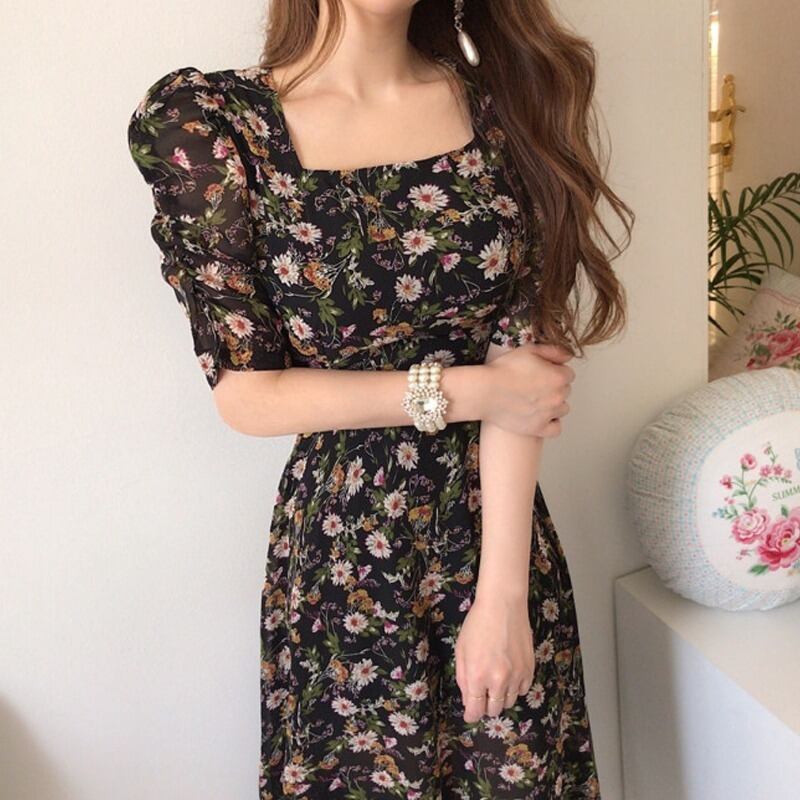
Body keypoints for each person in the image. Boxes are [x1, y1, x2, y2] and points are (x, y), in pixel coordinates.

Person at [127, 1, 631, 796]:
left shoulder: (505, 103)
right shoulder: (210, 124)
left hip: (496, 537)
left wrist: (503, 598)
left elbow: (525, 376)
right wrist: (472, 390)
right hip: (341, 555)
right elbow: (249, 396)